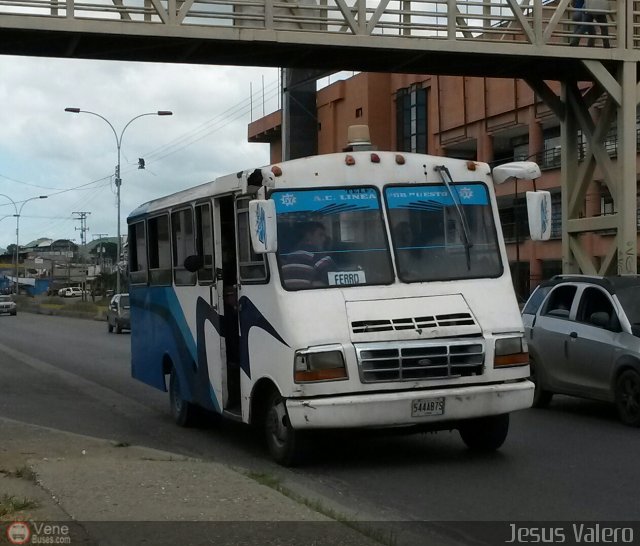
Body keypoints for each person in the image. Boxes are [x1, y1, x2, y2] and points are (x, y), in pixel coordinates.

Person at [280, 222, 337, 289]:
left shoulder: (289, 256)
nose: (324, 239)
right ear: (309, 235)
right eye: (320, 235)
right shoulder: (317, 255)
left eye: (324, 236)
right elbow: (335, 279)